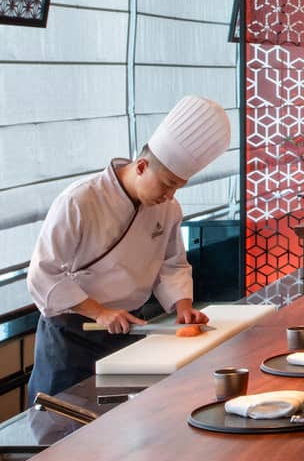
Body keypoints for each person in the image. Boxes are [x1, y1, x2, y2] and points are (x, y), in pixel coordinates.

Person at [25, 95, 231, 400]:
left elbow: (171, 264)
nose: (170, 194)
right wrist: (99, 313)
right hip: (72, 337)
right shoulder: (79, 201)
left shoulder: (168, 209)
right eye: (166, 183)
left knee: (120, 431)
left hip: (126, 331)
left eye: (178, 186)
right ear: (142, 166)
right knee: (61, 432)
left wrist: (182, 306)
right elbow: (42, 275)